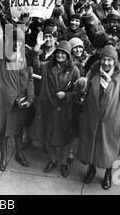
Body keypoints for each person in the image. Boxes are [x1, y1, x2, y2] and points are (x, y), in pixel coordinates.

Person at [78, 45, 120, 190]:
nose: (106, 63)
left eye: (110, 60)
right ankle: (92, 168)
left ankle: (108, 173)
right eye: (104, 60)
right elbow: (84, 90)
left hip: (112, 122)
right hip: (93, 118)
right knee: (93, 146)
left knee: (110, 150)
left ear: (115, 62)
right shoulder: (94, 74)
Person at [0, 28, 34, 171]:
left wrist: (30, 98)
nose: (17, 44)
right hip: (5, 100)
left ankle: (19, 154)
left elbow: (29, 78)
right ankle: (4, 157)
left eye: (20, 41)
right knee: (3, 131)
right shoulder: (3, 55)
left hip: (20, 100)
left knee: (18, 130)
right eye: (14, 41)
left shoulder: (25, 57)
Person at [31, 37, 80, 177]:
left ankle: (64, 164)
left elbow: (79, 91)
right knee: (51, 136)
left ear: (68, 56)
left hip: (65, 110)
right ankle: (52, 160)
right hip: (50, 107)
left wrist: (66, 95)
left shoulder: (74, 70)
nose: (60, 55)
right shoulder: (48, 66)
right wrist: (37, 46)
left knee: (64, 139)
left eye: (63, 53)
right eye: (58, 52)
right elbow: (36, 64)